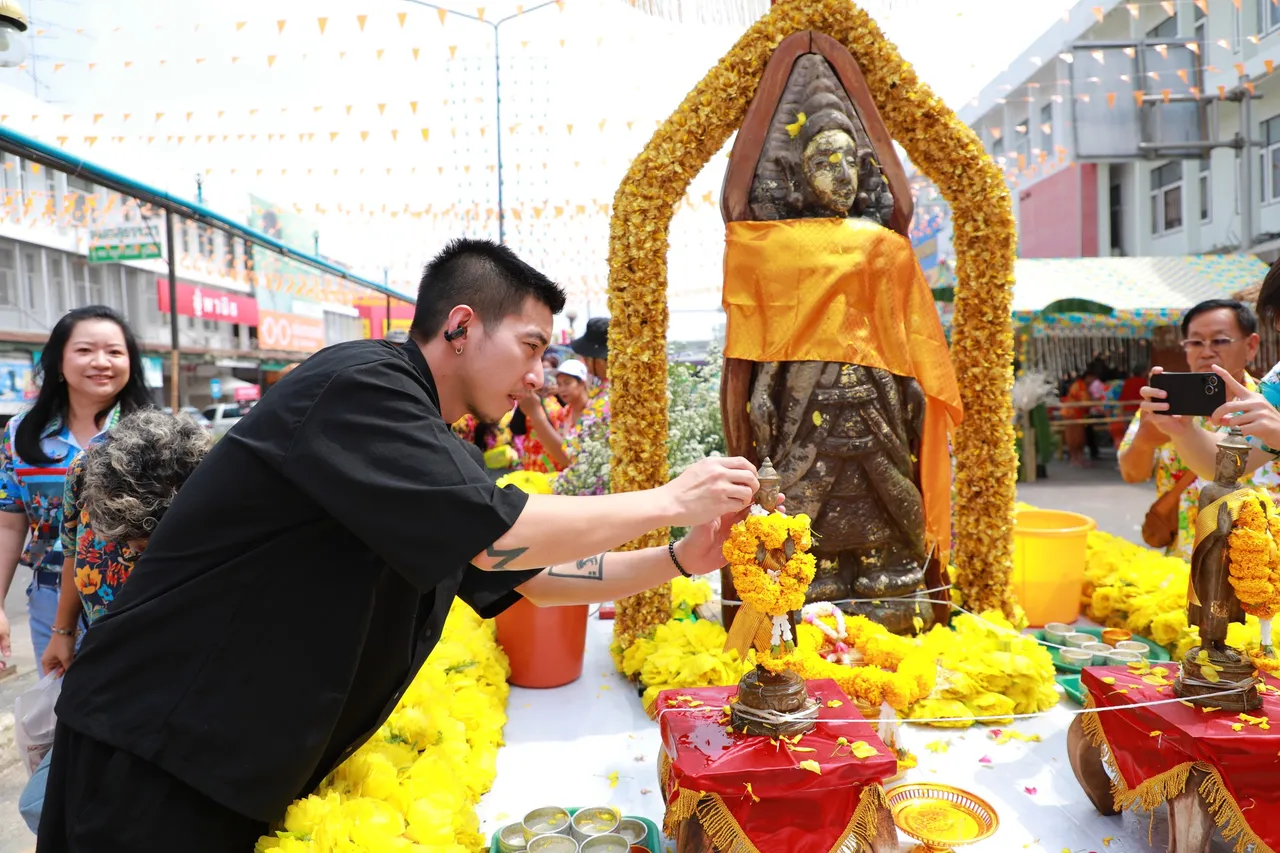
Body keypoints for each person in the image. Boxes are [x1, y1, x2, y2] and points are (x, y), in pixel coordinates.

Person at [38, 239, 760, 851]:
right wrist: (670, 500)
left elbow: (529, 576)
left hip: (219, 757)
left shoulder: (429, 443)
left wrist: (677, 558)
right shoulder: (360, 388)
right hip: (156, 749)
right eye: (532, 346)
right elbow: (500, 536)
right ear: (462, 325)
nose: (539, 375)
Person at [19, 409, 212, 833]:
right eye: (122, 540)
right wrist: (63, 631)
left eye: (144, 544)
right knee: (46, 803)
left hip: (183, 670)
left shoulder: (215, 486)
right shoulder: (85, 471)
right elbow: (71, 552)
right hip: (104, 656)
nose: (130, 553)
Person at [0, 306, 151, 672]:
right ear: (58, 361)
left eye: (114, 352)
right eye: (84, 350)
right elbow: (8, 523)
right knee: (58, 715)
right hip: (49, 598)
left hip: (134, 598)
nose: (101, 362)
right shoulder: (22, 433)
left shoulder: (156, 433)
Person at [1123, 299, 1280, 559]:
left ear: (1250, 346)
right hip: (1188, 566)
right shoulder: (1273, 390)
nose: (1206, 352)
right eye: (1196, 342)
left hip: (1265, 568)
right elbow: (1222, 464)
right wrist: (1180, 432)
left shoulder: (1261, 403)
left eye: (1219, 340)